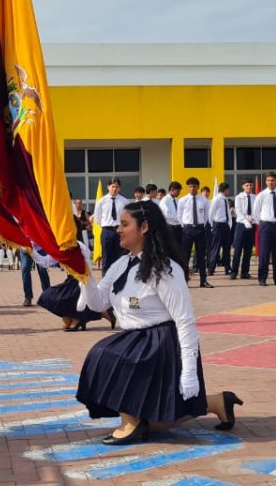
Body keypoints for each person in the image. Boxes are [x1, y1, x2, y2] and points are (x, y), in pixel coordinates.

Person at [75, 201, 242, 446]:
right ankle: (217, 402)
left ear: (143, 228)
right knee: (158, 423)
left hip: (160, 344)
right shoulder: (121, 264)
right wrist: (83, 270)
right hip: (135, 340)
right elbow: (98, 303)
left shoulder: (164, 268)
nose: (118, 229)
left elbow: (184, 320)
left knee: (107, 354)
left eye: (124, 224)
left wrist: (189, 372)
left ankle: (131, 423)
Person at [252, 172, 276, 287]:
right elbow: (256, 212)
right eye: (268, 180)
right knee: (264, 253)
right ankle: (262, 278)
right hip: (266, 226)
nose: (270, 182)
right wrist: (261, 224)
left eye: (272, 180)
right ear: (266, 182)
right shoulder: (261, 195)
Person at [177, 178, 213, 287]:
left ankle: (203, 280)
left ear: (198, 187)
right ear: (187, 187)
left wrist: (200, 225)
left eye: (194, 186)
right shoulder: (182, 200)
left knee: (201, 256)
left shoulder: (204, 200)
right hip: (187, 230)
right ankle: (184, 281)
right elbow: (179, 215)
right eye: (190, 186)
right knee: (185, 256)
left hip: (200, 229)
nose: (192, 188)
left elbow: (207, 215)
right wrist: (185, 227)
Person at [92, 178, 128, 272]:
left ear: (119, 188)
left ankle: (119, 279)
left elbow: (127, 217)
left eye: (117, 187)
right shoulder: (102, 201)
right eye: (112, 186)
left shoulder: (124, 201)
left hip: (120, 231)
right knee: (107, 256)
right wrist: (106, 225)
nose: (114, 189)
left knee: (120, 256)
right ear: (108, 187)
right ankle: (105, 279)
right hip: (107, 231)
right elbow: (98, 218)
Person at [230, 179, 256, 280]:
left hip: (252, 225)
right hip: (241, 225)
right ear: (243, 186)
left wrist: (252, 218)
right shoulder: (238, 197)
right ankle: (234, 272)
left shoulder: (255, 197)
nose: (249, 187)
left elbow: (257, 210)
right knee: (237, 250)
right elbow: (239, 212)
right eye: (247, 185)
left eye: (250, 185)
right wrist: (246, 220)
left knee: (248, 251)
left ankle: (245, 272)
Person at [207, 182, 233, 277]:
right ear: (224, 190)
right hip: (217, 225)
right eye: (228, 189)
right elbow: (211, 213)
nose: (229, 191)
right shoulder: (216, 199)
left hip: (225, 225)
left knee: (227, 248)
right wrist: (211, 226)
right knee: (216, 248)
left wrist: (229, 224)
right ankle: (211, 268)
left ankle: (227, 268)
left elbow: (228, 213)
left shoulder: (225, 200)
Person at [159, 181, 184, 253]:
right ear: (172, 190)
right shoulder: (165, 201)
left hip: (179, 227)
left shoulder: (177, 200)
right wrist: (179, 219)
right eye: (178, 191)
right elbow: (167, 215)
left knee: (179, 247)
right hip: (170, 226)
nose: (179, 193)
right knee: (170, 247)